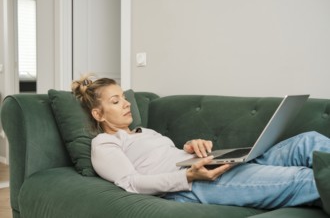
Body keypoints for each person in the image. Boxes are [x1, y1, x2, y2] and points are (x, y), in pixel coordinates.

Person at [71, 76, 329, 209]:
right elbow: (131, 183)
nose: (126, 103)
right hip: (190, 186)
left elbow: (166, 155)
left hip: (203, 166)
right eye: (115, 101)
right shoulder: (104, 144)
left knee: (308, 141)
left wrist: (190, 147)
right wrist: (189, 177)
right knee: (304, 178)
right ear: (98, 114)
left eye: (124, 97)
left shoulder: (145, 132)